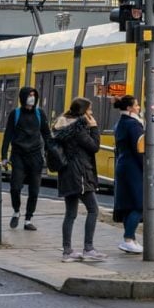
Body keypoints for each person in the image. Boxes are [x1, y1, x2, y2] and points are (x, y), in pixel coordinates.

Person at [52, 97, 107, 263]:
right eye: (90, 110)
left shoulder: (63, 125)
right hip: (80, 174)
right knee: (93, 209)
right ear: (83, 112)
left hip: (67, 173)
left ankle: (67, 251)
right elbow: (94, 147)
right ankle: (88, 248)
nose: (91, 113)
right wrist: (94, 127)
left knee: (70, 214)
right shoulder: (78, 129)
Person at [1, 86, 51, 231]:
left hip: (36, 156)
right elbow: (8, 135)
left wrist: (49, 152)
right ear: (23, 97)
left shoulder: (40, 113)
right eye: (29, 95)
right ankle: (16, 211)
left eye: (34, 95)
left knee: (34, 191)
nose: (32, 97)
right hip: (18, 156)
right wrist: (3, 156)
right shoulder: (15, 114)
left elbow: (46, 134)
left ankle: (28, 219)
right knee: (15, 187)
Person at [112, 95, 144, 254]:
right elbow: (139, 149)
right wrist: (147, 168)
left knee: (127, 205)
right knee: (140, 204)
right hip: (133, 168)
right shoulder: (133, 125)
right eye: (137, 105)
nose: (139, 108)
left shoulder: (120, 123)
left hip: (122, 165)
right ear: (130, 108)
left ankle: (131, 240)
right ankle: (128, 238)